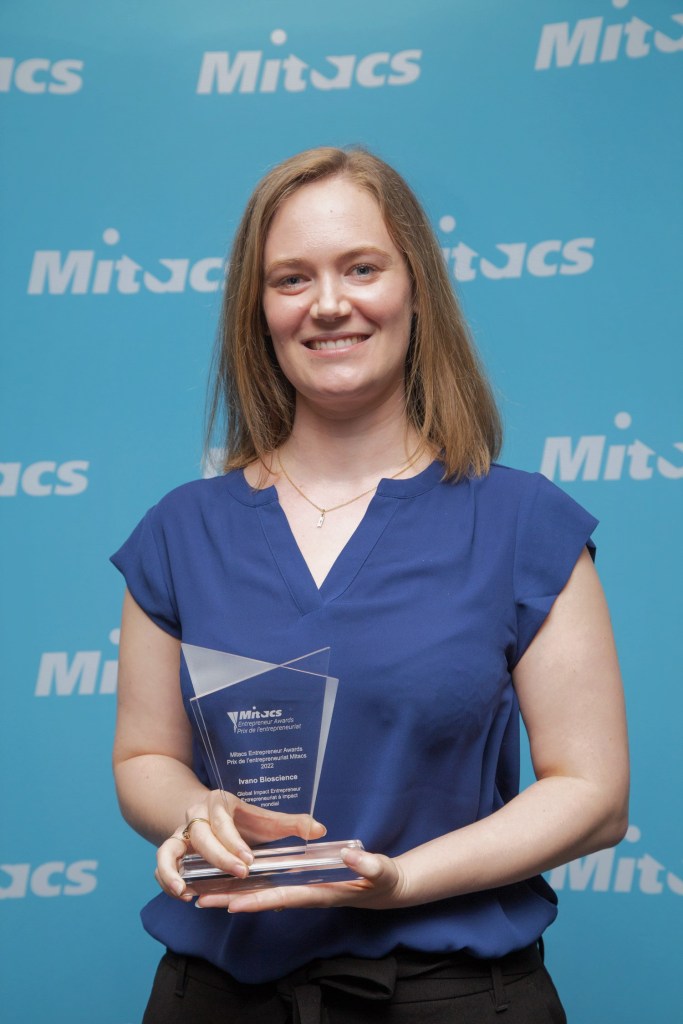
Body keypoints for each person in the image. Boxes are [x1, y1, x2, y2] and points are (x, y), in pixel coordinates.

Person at [111, 146, 629, 1023]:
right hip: (216, 997)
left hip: (450, 996)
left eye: (361, 268)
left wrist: (398, 882)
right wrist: (198, 808)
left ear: (415, 288)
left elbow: (593, 795)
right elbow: (142, 759)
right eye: (291, 278)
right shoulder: (178, 530)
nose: (327, 304)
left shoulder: (522, 523)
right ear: (258, 311)